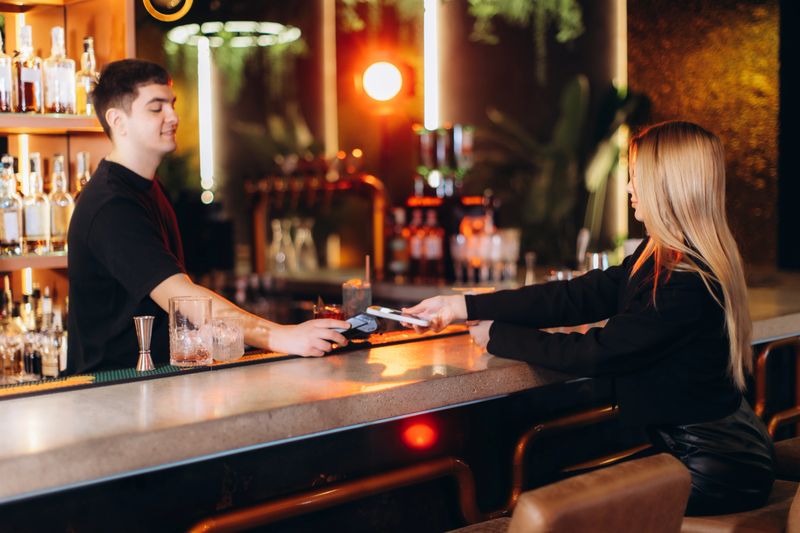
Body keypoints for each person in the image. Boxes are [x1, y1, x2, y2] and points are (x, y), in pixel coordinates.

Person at [404, 121, 774, 516]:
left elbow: (598, 354)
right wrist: (467, 306)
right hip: (693, 452)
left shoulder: (686, 280)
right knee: (551, 491)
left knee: (554, 508)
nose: (630, 189)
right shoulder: (662, 255)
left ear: (668, 186)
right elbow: (576, 296)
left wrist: (498, 336)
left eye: (637, 178)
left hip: (715, 469)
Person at [67, 59, 349, 373]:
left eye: (171, 105)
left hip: (148, 382)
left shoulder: (147, 188)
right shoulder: (111, 206)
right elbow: (184, 300)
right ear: (118, 121)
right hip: (112, 392)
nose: (173, 116)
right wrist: (280, 336)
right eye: (156, 108)